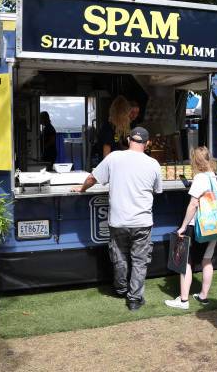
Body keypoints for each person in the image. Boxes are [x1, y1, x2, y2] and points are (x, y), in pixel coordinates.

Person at [74, 127, 162, 311]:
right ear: (147, 144)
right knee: (140, 260)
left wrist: (81, 189)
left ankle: (121, 289)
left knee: (119, 257)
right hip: (142, 222)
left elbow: (92, 178)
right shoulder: (153, 163)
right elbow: (157, 190)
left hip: (118, 220)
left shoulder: (114, 157)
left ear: (128, 139)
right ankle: (134, 299)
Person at [165, 146, 217, 310]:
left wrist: (182, 227)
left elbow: (193, 204)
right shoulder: (216, 176)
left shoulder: (200, 178)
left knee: (186, 262)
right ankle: (203, 296)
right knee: (207, 260)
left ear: (195, 161)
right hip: (214, 225)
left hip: (197, 225)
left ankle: (183, 301)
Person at [97, 95, 131, 160]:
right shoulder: (108, 129)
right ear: (121, 115)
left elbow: (117, 146)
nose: (128, 118)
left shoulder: (115, 128)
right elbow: (106, 157)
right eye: (127, 115)